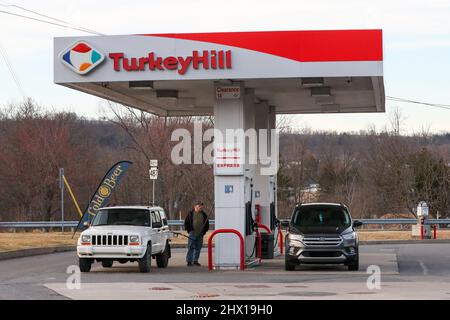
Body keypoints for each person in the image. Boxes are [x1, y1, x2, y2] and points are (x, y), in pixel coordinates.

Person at [184, 200, 209, 266]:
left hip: (200, 234)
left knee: (198, 247)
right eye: (199, 206)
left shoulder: (204, 214)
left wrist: (204, 232)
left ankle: (195, 261)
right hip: (192, 233)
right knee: (191, 247)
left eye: (201, 206)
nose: (200, 207)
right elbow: (186, 223)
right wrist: (189, 230)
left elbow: (207, 224)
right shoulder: (190, 213)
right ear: (195, 206)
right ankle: (189, 261)